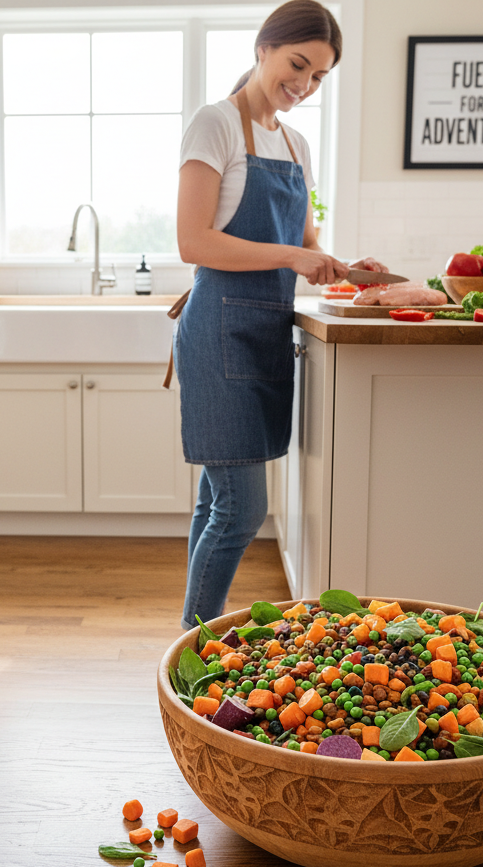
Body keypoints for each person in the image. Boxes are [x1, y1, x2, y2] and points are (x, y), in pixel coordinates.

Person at [174, 0, 386, 630]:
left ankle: (189, 631)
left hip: (265, 333)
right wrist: (296, 255)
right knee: (240, 509)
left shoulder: (296, 144)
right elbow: (194, 242)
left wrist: (343, 266)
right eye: (298, 65)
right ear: (263, 48)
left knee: (217, 499)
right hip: (217, 331)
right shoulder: (214, 124)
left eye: (319, 76)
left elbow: (306, 242)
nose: (305, 84)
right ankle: (194, 639)